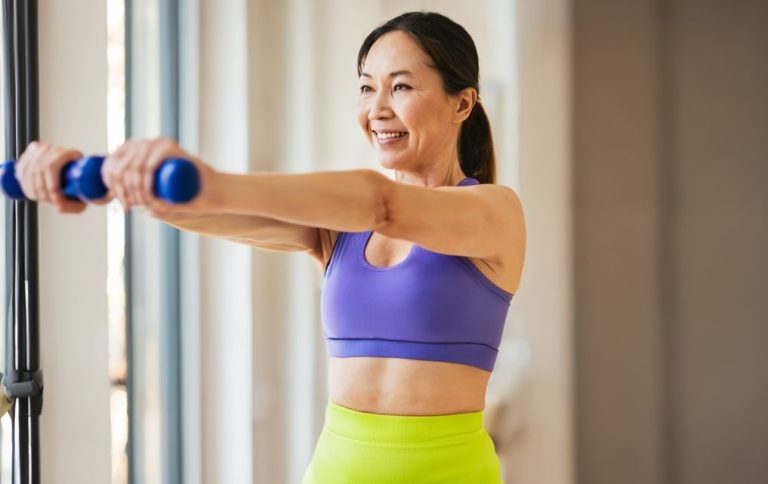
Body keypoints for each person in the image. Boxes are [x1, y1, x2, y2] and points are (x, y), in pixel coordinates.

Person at [15, 11, 526, 483]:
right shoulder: (341, 229)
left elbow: (382, 204)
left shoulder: (494, 212)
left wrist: (209, 178)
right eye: (367, 88)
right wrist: (108, 179)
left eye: (401, 87)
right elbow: (216, 214)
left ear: (462, 102)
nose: (377, 109)